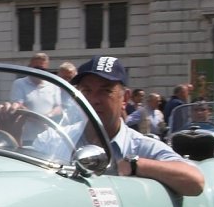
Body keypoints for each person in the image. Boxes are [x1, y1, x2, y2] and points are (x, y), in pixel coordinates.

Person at [73, 56, 204, 197]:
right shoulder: (58, 139)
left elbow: (195, 182)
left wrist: (135, 165)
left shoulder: (140, 146)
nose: (93, 100)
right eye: (86, 91)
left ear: (124, 98)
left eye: (105, 91)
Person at [9, 52, 62, 120]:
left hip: (48, 127)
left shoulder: (54, 86)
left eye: (42, 69)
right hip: (26, 128)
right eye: (36, 68)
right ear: (29, 67)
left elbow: (58, 108)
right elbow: (18, 105)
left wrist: (48, 116)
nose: (39, 72)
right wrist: (37, 119)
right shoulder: (19, 83)